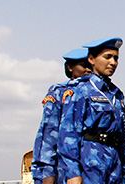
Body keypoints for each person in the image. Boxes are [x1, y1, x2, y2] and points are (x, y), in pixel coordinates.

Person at [58, 37, 125, 184]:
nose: (113, 62)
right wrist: (72, 173)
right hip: (90, 163)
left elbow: (122, 138)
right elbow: (68, 134)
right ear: (91, 59)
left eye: (116, 58)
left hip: (115, 165)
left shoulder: (116, 94)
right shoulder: (81, 91)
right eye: (107, 57)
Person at [32, 48, 91, 184]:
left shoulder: (98, 93)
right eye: (84, 66)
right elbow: (48, 134)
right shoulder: (60, 93)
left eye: (90, 66)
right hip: (65, 170)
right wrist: (47, 172)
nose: (88, 70)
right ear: (70, 67)